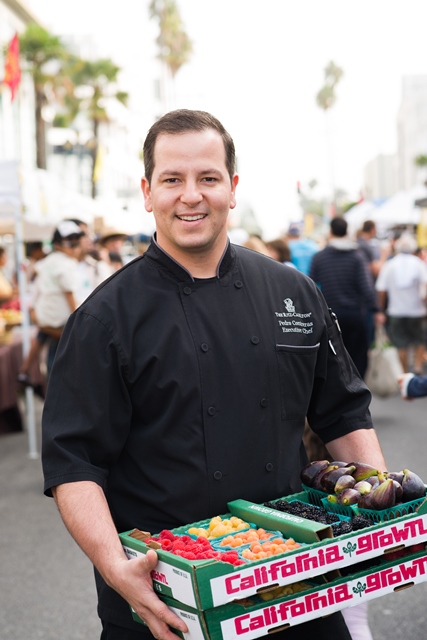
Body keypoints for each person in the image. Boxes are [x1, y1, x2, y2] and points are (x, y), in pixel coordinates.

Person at [42, 109, 387, 640]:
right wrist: (116, 568)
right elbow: (75, 464)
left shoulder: (292, 291)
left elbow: (342, 414)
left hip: (295, 582)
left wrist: (378, 519)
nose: (191, 195)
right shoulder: (104, 318)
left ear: (232, 187)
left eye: (208, 178)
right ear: (147, 191)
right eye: (172, 180)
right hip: (170, 598)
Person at [309, 217, 379, 379]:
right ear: (347, 232)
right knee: (358, 355)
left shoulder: (320, 257)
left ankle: (341, 389)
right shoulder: (356, 256)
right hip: (355, 313)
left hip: (330, 314)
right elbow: (366, 286)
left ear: (331, 231)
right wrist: (376, 309)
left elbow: (311, 285)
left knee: (334, 355)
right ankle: (357, 388)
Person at [17, 221, 84, 385]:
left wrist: (34, 310)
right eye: (70, 242)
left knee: (43, 341)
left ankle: (24, 371)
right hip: (58, 320)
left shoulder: (49, 261)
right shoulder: (66, 264)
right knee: (65, 354)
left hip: (45, 315)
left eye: (76, 242)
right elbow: (70, 296)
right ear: (58, 245)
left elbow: (37, 288)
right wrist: (80, 320)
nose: (75, 247)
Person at [375, 232, 427, 374]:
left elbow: (381, 290)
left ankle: (404, 373)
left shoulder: (390, 265)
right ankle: (417, 365)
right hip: (417, 310)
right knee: (419, 339)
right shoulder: (418, 264)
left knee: (400, 343)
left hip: (396, 310)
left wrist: (380, 309)